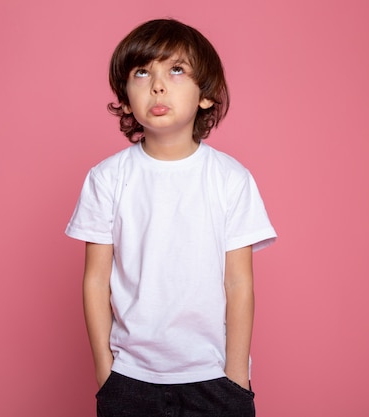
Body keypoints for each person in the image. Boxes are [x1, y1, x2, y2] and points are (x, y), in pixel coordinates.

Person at [66, 18, 277, 417]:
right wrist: (105, 371)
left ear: (206, 96)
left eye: (176, 70)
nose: (158, 85)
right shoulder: (107, 178)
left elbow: (238, 281)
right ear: (125, 99)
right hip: (130, 378)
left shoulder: (231, 179)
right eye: (142, 72)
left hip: (214, 377)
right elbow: (96, 280)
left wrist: (235, 376)